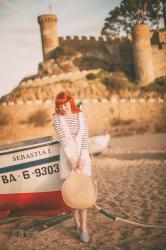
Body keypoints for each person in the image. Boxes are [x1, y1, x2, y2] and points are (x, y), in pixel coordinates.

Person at [53, 91, 91, 243]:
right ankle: (76, 221)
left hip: (82, 159)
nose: (63, 107)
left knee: (84, 192)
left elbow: (85, 137)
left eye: (65, 103)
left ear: (71, 101)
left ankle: (84, 228)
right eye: (60, 105)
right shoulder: (57, 118)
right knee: (73, 193)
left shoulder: (81, 115)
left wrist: (82, 158)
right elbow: (63, 139)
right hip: (67, 158)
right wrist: (70, 159)